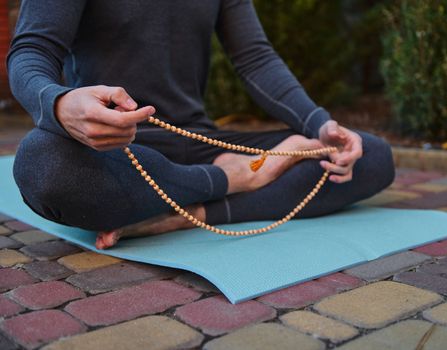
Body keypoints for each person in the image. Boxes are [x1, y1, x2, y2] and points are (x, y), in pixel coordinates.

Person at [8, 0, 395, 250]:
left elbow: (255, 58)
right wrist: (58, 103)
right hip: (115, 146)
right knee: (43, 164)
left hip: (197, 141)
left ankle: (185, 213)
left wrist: (319, 124)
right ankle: (230, 181)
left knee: (369, 155)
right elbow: (32, 52)